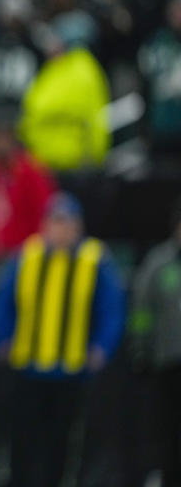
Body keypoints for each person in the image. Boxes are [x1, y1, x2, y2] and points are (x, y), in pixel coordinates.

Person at [0, 192, 124, 487]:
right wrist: (2, 338)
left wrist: (102, 347)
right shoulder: (27, 254)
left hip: (70, 368)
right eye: (55, 222)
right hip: (27, 364)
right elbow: (3, 302)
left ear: (78, 226)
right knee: (21, 438)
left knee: (61, 440)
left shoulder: (94, 259)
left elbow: (111, 309)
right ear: (45, 225)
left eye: (67, 223)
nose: (61, 230)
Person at [129, 198, 181, 486]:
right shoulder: (159, 263)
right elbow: (142, 309)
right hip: (169, 360)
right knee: (167, 427)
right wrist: (140, 346)